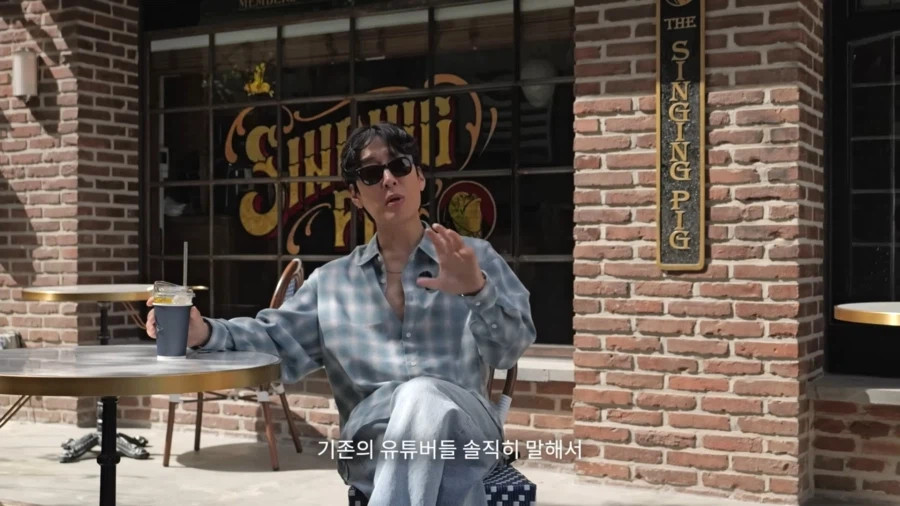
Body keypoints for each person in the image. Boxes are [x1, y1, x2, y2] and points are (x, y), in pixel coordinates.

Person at [146, 122, 536, 506]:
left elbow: (509, 351)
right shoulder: (332, 284)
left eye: (399, 166)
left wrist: (477, 290)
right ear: (355, 195)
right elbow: (274, 340)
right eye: (371, 174)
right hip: (374, 447)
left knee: (421, 396)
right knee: (444, 474)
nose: (388, 179)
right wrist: (203, 332)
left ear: (419, 177)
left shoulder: (472, 259)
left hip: (465, 434)